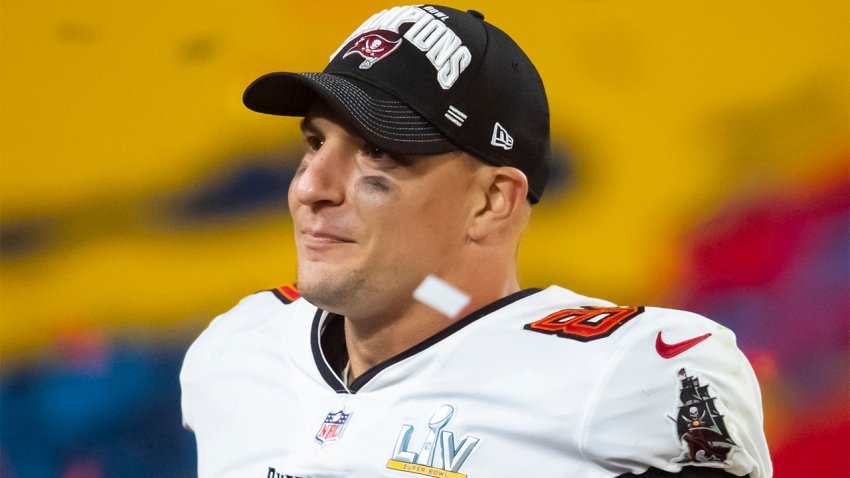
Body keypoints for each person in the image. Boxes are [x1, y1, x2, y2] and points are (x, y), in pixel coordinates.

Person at [180, 5, 772, 478]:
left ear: (491, 201)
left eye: (377, 152)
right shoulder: (237, 348)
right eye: (313, 143)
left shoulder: (634, 373)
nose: (310, 187)